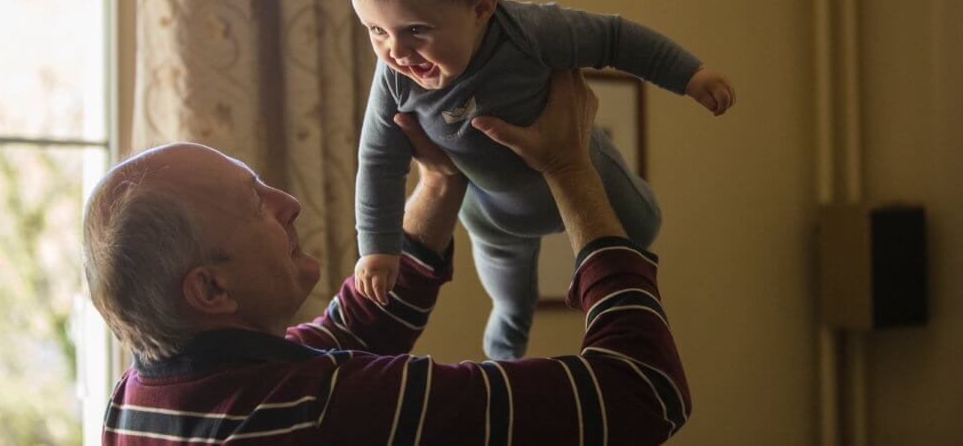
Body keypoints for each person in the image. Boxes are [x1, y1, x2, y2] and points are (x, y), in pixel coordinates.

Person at [84, 70, 692, 444]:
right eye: (255, 204)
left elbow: (353, 330)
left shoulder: (138, 399)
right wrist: (569, 168)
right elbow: (641, 392)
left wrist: (437, 182)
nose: (289, 203)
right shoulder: (322, 412)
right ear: (211, 291)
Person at [351, 0, 736, 359]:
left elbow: (615, 38)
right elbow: (377, 161)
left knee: (644, 227)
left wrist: (690, 75)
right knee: (511, 299)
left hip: (585, 169)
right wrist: (377, 248)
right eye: (375, 30)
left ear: (481, 9)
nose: (396, 51)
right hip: (494, 215)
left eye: (415, 30)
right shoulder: (393, 79)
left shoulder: (530, 32)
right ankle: (504, 357)